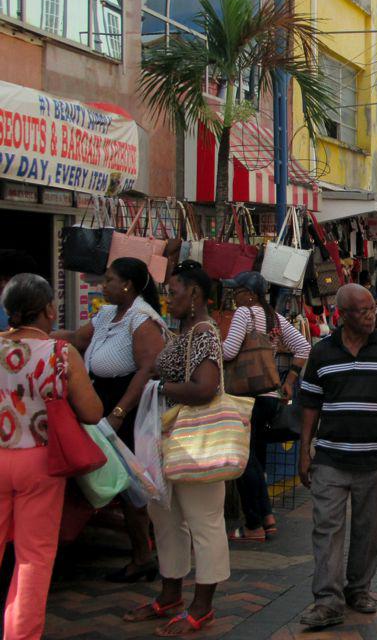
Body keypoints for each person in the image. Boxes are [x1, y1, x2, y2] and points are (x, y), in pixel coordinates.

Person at [123, 261, 229, 635]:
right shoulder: (184, 332)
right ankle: (170, 595)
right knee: (166, 519)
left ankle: (203, 607)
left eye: (174, 291)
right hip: (169, 442)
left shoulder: (204, 333)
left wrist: (159, 389)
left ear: (195, 293)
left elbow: (205, 387)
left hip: (195, 442)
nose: (169, 299)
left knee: (203, 523)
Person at [298, 284, 377, 630]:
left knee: (368, 530)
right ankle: (327, 601)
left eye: (371, 308)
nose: (370, 315)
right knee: (327, 529)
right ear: (342, 315)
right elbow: (310, 405)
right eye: (361, 311)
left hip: (374, 459)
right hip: (331, 458)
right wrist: (305, 450)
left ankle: (359, 589)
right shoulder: (322, 352)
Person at [0, 274, 102, 639]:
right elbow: (92, 412)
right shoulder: (60, 353)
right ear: (47, 309)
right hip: (40, 463)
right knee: (32, 559)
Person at [53, 257, 166, 582]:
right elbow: (77, 338)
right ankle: (140, 552)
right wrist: (35, 335)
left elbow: (147, 369)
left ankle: (143, 555)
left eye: (109, 280)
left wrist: (119, 412)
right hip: (100, 401)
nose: (104, 286)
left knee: (130, 484)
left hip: (126, 409)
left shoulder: (142, 320)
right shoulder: (106, 314)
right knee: (110, 481)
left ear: (127, 284)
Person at [222, 271, 311, 543]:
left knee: (245, 459)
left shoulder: (244, 314)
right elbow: (304, 347)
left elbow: (228, 352)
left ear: (249, 293)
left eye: (237, 291)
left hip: (246, 396)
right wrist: (289, 381)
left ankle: (256, 522)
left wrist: (209, 341)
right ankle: (265, 520)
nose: (234, 296)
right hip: (270, 396)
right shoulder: (273, 316)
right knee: (254, 458)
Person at [0, 251, 37, 331]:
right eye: (0, 280)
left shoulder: (38, 307)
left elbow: (48, 334)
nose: (2, 285)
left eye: (7, 280)